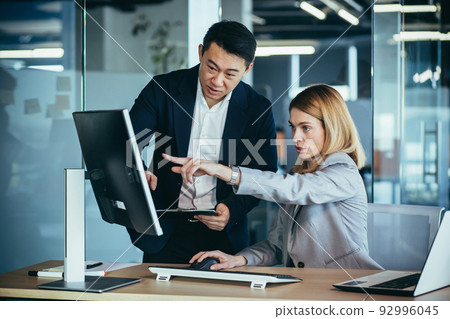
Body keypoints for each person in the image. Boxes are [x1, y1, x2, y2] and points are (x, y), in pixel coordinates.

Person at [165, 84, 382, 269]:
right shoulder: (300, 174)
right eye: (293, 127)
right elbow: (276, 246)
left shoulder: (345, 173)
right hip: (308, 289)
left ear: (332, 128)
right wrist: (238, 259)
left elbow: (296, 189)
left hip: (351, 290)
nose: (295, 137)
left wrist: (223, 171)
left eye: (306, 128)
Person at [128, 20, 278, 263]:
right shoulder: (163, 89)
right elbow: (129, 141)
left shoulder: (257, 109)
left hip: (224, 237)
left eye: (230, 74)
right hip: (166, 232)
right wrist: (138, 170)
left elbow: (265, 172)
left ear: (247, 69)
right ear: (200, 52)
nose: (217, 81)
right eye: (211, 68)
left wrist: (232, 209)